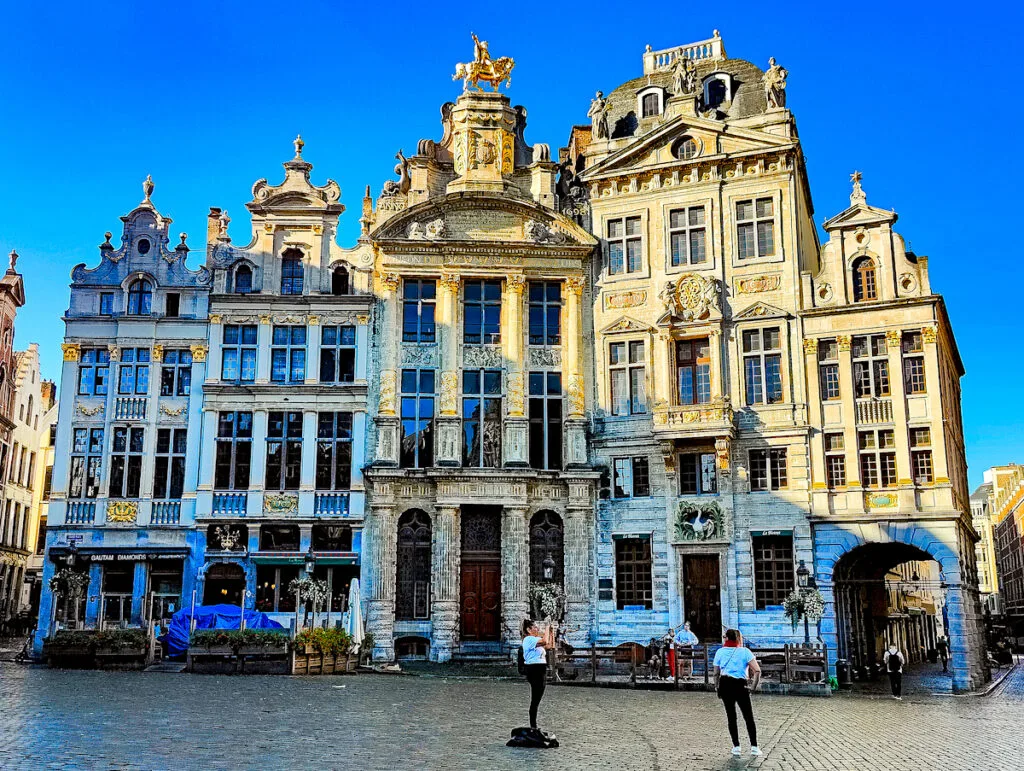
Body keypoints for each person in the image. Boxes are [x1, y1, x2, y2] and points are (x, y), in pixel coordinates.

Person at [713, 629, 761, 757]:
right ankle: (754, 747)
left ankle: (736, 746)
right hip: (741, 684)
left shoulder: (720, 652)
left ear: (726, 638)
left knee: (731, 716)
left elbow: (716, 673)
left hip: (725, 684)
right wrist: (753, 687)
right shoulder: (745, 652)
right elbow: (757, 670)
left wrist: (717, 687)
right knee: (748, 716)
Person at [521, 619, 553, 729]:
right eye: (535, 627)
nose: (537, 629)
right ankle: (533, 725)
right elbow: (544, 641)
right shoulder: (528, 639)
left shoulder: (535, 639)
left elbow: (548, 645)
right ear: (528, 630)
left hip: (540, 669)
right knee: (535, 699)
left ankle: (533, 725)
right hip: (534, 669)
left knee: (537, 697)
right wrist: (547, 627)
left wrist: (551, 632)